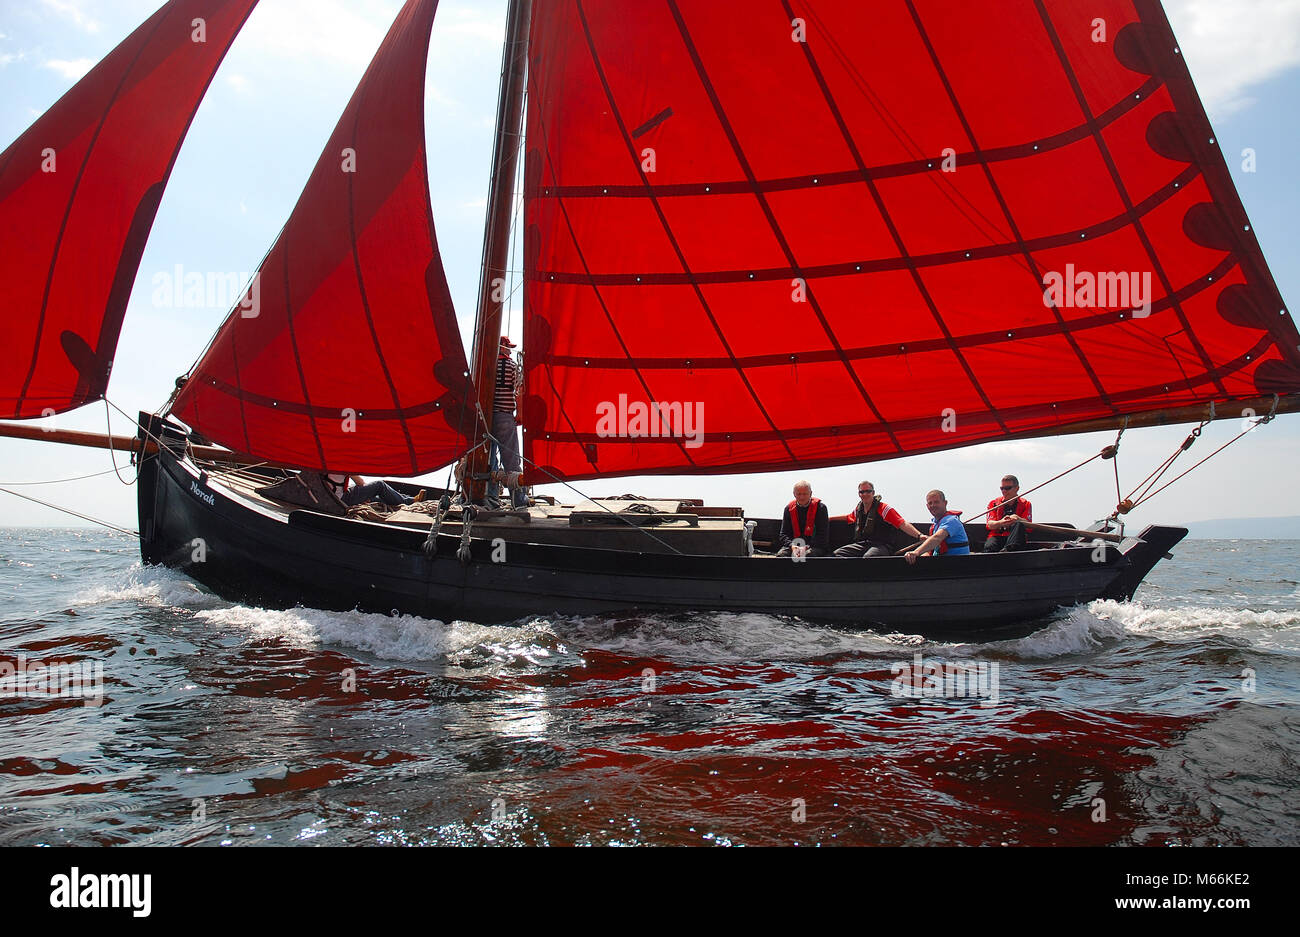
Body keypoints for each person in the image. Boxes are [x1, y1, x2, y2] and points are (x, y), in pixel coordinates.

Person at [487, 334, 528, 509]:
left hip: (485, 418)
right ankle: (518, 501)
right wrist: (520, 413)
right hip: (504, 416)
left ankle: (490, 497)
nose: (510, 350)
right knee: (511, 460)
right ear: (501, 347)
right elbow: (519, 390)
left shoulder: (486, 365)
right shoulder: (512, 366)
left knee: (488, 461)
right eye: (507, 347)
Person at [834, 481, 924, 557]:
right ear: (859, 494)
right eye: (862, 492)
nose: (865, 494)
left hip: (882, 545)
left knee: (869, 557)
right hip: (864, 544)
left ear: (873, 493)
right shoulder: (858, 510)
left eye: (868, 491)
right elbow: (848, 517)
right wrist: (828, 518)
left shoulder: (884, 509)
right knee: (838, 554)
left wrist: (919, 535)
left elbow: (902, 524)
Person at [904, 490, 970, 563]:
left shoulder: (951, 521)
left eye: (936, 502)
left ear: (945, 503)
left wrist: (916, 552)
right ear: (927, 506)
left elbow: (937, 538)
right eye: (930, 503)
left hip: (957, 566)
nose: (933, 505)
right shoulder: (935, 525)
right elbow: (931, 552)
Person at [776, 480, 830, 557]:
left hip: (815, 546)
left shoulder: (820, 508)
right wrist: (792, 545)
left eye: (805, 494)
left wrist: (806, 547)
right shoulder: (788, 509)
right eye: (799, 494)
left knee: (806, 555)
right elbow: (783, 534)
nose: (802, 497)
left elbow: (823, 535)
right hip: (794, 546)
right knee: (781, 555)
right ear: (794, 494)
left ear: (810, 493)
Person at [984, 474, 1032, 552]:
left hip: (1015, 539)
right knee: (989, 547)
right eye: (1002, 488)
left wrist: (1017, 518)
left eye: (1007, 488)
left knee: (1019, 524)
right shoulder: (994, 503)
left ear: (1017, 488)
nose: (1004, 491)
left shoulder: (1026, 504)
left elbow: (1029, 526)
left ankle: (1007, 552)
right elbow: (989, 525)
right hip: (997, 536)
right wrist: (1002, 522)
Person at [326, 473, 424, 509]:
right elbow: (360, 483)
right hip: (342, 499)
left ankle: (405, 499)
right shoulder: (341, 463)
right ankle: (410, 501)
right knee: (379, 485)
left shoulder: (323, 462)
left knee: (373, 497)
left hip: (334, 496)